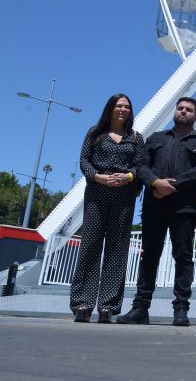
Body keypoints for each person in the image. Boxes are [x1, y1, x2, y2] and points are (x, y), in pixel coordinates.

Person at [118, 97, 196, 326]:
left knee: (183, 256)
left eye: (189, 109)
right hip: (154, 205)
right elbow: (142, 165)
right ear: (175, 111)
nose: (184, 111)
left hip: (184, 208)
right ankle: (140, 308)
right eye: (180, 108)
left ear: (195, 116)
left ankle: (180, 309)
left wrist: (170, 186)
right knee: (149, 256)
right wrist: (155, 183)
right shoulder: (156, 138)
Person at [69, 94, 144, 323]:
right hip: (97, 192)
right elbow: (84, 161)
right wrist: (98, 177)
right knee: (90, 244)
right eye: (119, 106)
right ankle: (83, 303)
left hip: (124, 194)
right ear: (110, 109)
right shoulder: (94, 133)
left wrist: (128, 177)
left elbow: (141, 166)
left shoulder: (135, 138)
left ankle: (107, 305)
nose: (123, 109)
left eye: (127, 106)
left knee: (117, 247)